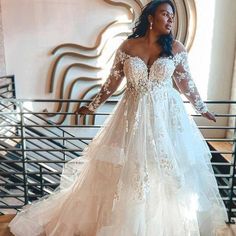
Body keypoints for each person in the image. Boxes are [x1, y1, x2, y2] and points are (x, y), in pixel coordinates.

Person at [9, 0, 228, 235]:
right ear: (151, 18)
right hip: (132, 118)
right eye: (165, 14)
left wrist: (202, 108)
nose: (170, 19)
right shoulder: (128, 47)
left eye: (172, 15)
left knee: (166, 174)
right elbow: (111, 84)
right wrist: (91, 107)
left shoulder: (176, 48)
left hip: (166, 119)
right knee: (129, 172)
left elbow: (186, 84)